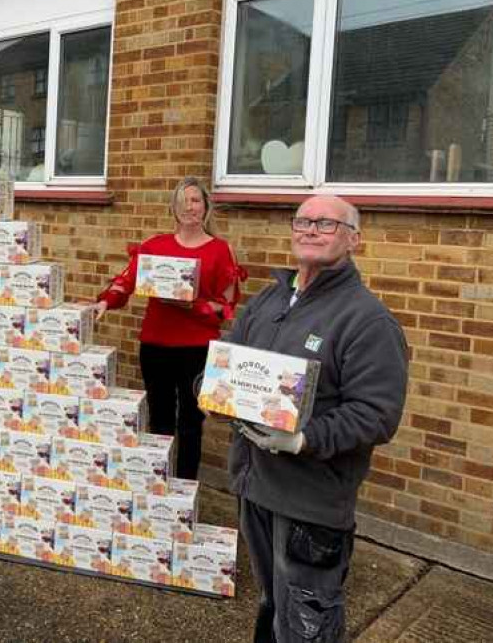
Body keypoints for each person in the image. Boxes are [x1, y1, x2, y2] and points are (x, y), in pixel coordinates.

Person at [227, 195, 408, 643]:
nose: (310, 230)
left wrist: (302, 439)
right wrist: (209, 390)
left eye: (326, 224)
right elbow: (229, 362)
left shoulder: (367, 319)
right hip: (255, 485)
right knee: (272, 605)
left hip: (310, 501)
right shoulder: (269, 299)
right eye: (303, 221)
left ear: (354, 240)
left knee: (307, 623)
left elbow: (376, 414)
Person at [93, 177, 244, 480]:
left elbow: (226, 305)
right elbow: (126, 281)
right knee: (159, 421)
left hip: (197, 349)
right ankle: (159, 484)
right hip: (156, 346)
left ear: (206, 206)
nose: (190, 206)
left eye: (196, 200)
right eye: (184, 200)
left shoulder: (220, 250)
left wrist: (195, 306)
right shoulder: (154, 246)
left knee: (190, 424)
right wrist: (106, 302)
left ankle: (185, 489)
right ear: (173, 208)